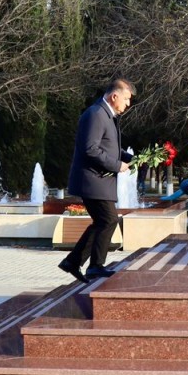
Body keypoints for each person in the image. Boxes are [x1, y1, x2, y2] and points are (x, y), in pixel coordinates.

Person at [58, 78, 135, 283]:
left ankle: (74, 262)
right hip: (91, 180)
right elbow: (90, 149)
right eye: (126, 99)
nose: (127, 104)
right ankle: (94, 266)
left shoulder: (106, 115)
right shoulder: (96, 114)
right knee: (108, 220)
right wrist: (116, 165)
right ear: (114, 96)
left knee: (103, 221)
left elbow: (108, 146)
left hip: (99, 180)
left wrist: (129, 157)